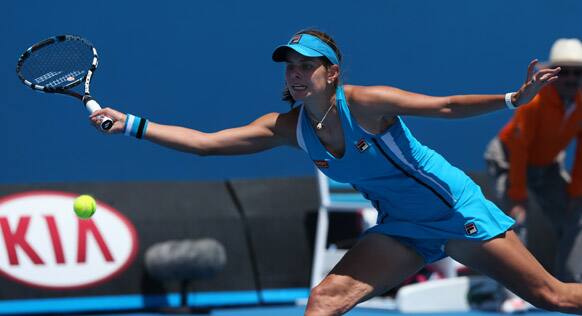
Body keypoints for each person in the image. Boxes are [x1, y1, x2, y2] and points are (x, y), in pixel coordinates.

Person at [90, 29, 582, 315]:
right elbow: (206, 145)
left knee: (553, 297)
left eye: (309, 66)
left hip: (455, 211)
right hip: (402, 229)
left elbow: (448, 106)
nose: (297, 74)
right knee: (323, 301)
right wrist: (132, 124)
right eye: (291, 68)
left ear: (333, 73)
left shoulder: (367, 104)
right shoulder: (288, 127)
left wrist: (512, 99)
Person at [485, 38, 582, 285]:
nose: (572, 79)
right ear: (553, 76)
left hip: (547, 166)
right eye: (565, 73)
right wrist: (517, 196)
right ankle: (513, 291)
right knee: (515, 221)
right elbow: (519, 148)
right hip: (509, 161)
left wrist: (575, 192)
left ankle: (571, 283)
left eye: (578, 73)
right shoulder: (535, 102)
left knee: (575, 217)